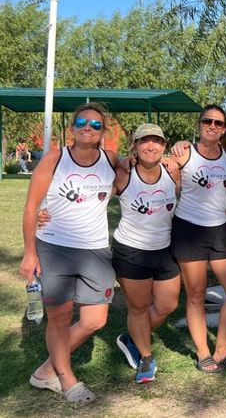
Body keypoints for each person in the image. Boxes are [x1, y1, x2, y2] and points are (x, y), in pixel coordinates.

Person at [20, 102, 117, 403]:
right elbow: (31, 207)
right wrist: (29, 253)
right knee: (59, 319)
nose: (88, 128)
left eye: (96, 124)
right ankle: (66, 378)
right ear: (73, 127)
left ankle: (47, 369)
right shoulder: (55, 157)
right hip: (55, 247)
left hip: (96, 248)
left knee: (95, 320)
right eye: (82, 122)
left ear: (104, 132)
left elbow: (147, 161)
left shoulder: (112, 160)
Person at [169, 105, 226, 374]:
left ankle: (222, 348)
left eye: (218, 123)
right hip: (189, 229)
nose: (213, 126)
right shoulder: (185, 153)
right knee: (196, 294)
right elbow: (158, 169)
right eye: (207, 121)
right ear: (199, 124)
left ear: (225, 128)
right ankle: (203, 352)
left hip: (220, 228)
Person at [110, 124, 181, 384]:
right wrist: (46, 211)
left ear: (164, 146)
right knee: (138, 308)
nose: (151, 146)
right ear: (135, 146)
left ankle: (132, 338)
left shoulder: (172, 172)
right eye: (144, 142)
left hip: (164, 249)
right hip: (131, 251)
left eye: (157, 142)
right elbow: (92, 200)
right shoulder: (123, 174)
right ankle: (146, 357)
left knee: (167, 305)